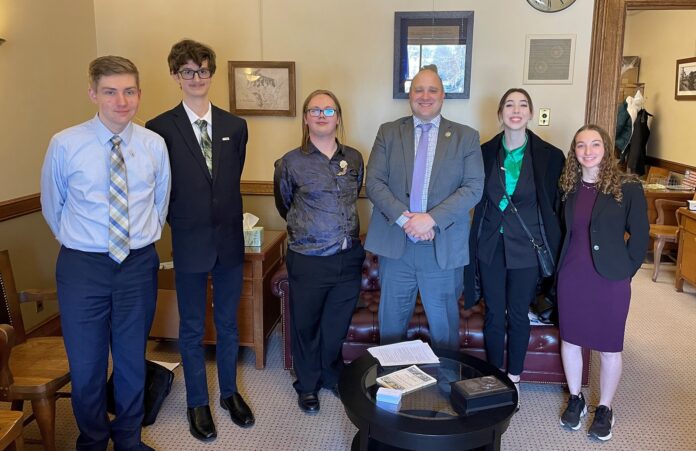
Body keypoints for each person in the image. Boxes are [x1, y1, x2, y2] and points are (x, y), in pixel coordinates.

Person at [40, 55, 170, 450]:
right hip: (83, 267)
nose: (121, 101)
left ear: (139, 94)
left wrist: (136, 243)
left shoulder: (153, 144)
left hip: (137, 265)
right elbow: (52, 206)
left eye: (129, 91)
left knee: (132, 359)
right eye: (111, 92)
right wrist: (85, 243)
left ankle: (128, 437)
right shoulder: (65, 144)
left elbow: (159, 204)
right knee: (87, 365)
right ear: (93, 93)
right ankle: (93, 439)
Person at [146, 39, 254, 442]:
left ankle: (228, 394)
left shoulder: (234, 126)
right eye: (188, 71)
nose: (197, 78)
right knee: (191, 329)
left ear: (211, 73)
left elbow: (229, 181)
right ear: (176, 76)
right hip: (189, 242)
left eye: (203, 70)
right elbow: (162, 187)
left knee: (228, 324)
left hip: (228, 241)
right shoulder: (159, 128)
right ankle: (197, 402)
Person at [365, 67, 484, 351]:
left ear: (443, 95)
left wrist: (430, 220)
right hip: (397, 248)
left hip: (441, 249)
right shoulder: (389, 132)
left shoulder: (465, 137)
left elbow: (473, 188)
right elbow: (374, 182)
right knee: (391, 328)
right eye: (419, 89)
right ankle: (392, 389)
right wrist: (406, 220)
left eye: (432, 90)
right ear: (410, 95)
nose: (425, 96)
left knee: (444, 331)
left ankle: (445, 390)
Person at [463, 88, 565, 408]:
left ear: (531, 113)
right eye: (509, 104)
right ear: (500, 114)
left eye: (522, 105)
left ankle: (515, 379)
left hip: (527, 249)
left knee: (518, 314)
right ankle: (494, 378)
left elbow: (556, 205)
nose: (516, 110)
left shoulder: (549, 155)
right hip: (490, 246)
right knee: (494, 314)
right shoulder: (484, 152)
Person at [274, 89, 365, 414]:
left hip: (347, 258)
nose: (322, 115)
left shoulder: (353, 158)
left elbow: (354, 194)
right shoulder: (290, 162)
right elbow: (284, 204)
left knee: (335, 326)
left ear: (338, 117)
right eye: (315, 110)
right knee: (306, 326)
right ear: (305, 118)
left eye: (329, 110)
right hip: (308, 260)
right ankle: (308, 385)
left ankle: (330, 375)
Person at [556, 124, 649, 441]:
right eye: (581, 145)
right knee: (571, 341)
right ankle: (576, 399)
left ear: (606, 149)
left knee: (609, 347)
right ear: (575, 152)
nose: (588, 151)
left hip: (611, 278)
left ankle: (605, 408)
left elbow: (640, 238)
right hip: (572, 275)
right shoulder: (568, 186)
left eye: (595, 144)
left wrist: (627, 271)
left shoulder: (629, 187)